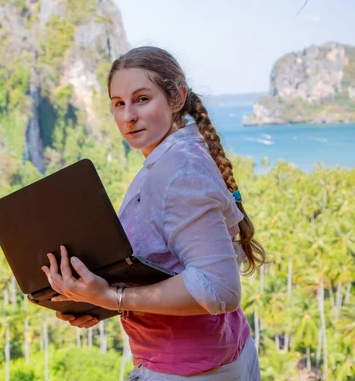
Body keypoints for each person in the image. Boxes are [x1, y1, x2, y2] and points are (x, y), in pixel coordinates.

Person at [40, 46, 265, 380]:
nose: (128, 115)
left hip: (192, 369)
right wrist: (96, 300)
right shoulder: (169, 159)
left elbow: (220, 289)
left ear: (176, 98)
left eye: (142, 99)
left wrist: (112, 297)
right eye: (118, 103)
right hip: (209, 355)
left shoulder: (179, 171)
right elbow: (168, 266)